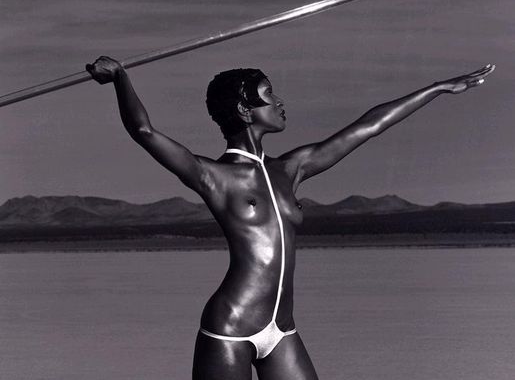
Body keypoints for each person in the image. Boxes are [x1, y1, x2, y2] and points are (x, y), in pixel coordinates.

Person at [86, 57, 494, 380]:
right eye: (269, 94)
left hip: (282, 330)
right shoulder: (213, 176)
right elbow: (144, 131)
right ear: (245, 110)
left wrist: (436, 89)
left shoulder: (291, 169)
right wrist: (121, 77)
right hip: (230, 328)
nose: (280, 102)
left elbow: (368, 127)